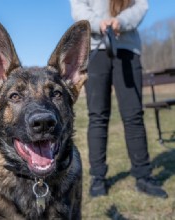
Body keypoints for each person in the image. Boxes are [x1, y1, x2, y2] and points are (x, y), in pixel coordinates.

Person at [70, 0, 168, 198]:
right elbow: (78, 8)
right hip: (96, 50)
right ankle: (98, 178)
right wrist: (99, 23)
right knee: (97, 116)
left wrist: (120, 22)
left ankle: (143, 175)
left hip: (127, 51)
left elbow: (141, 5)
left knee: (133, 115)